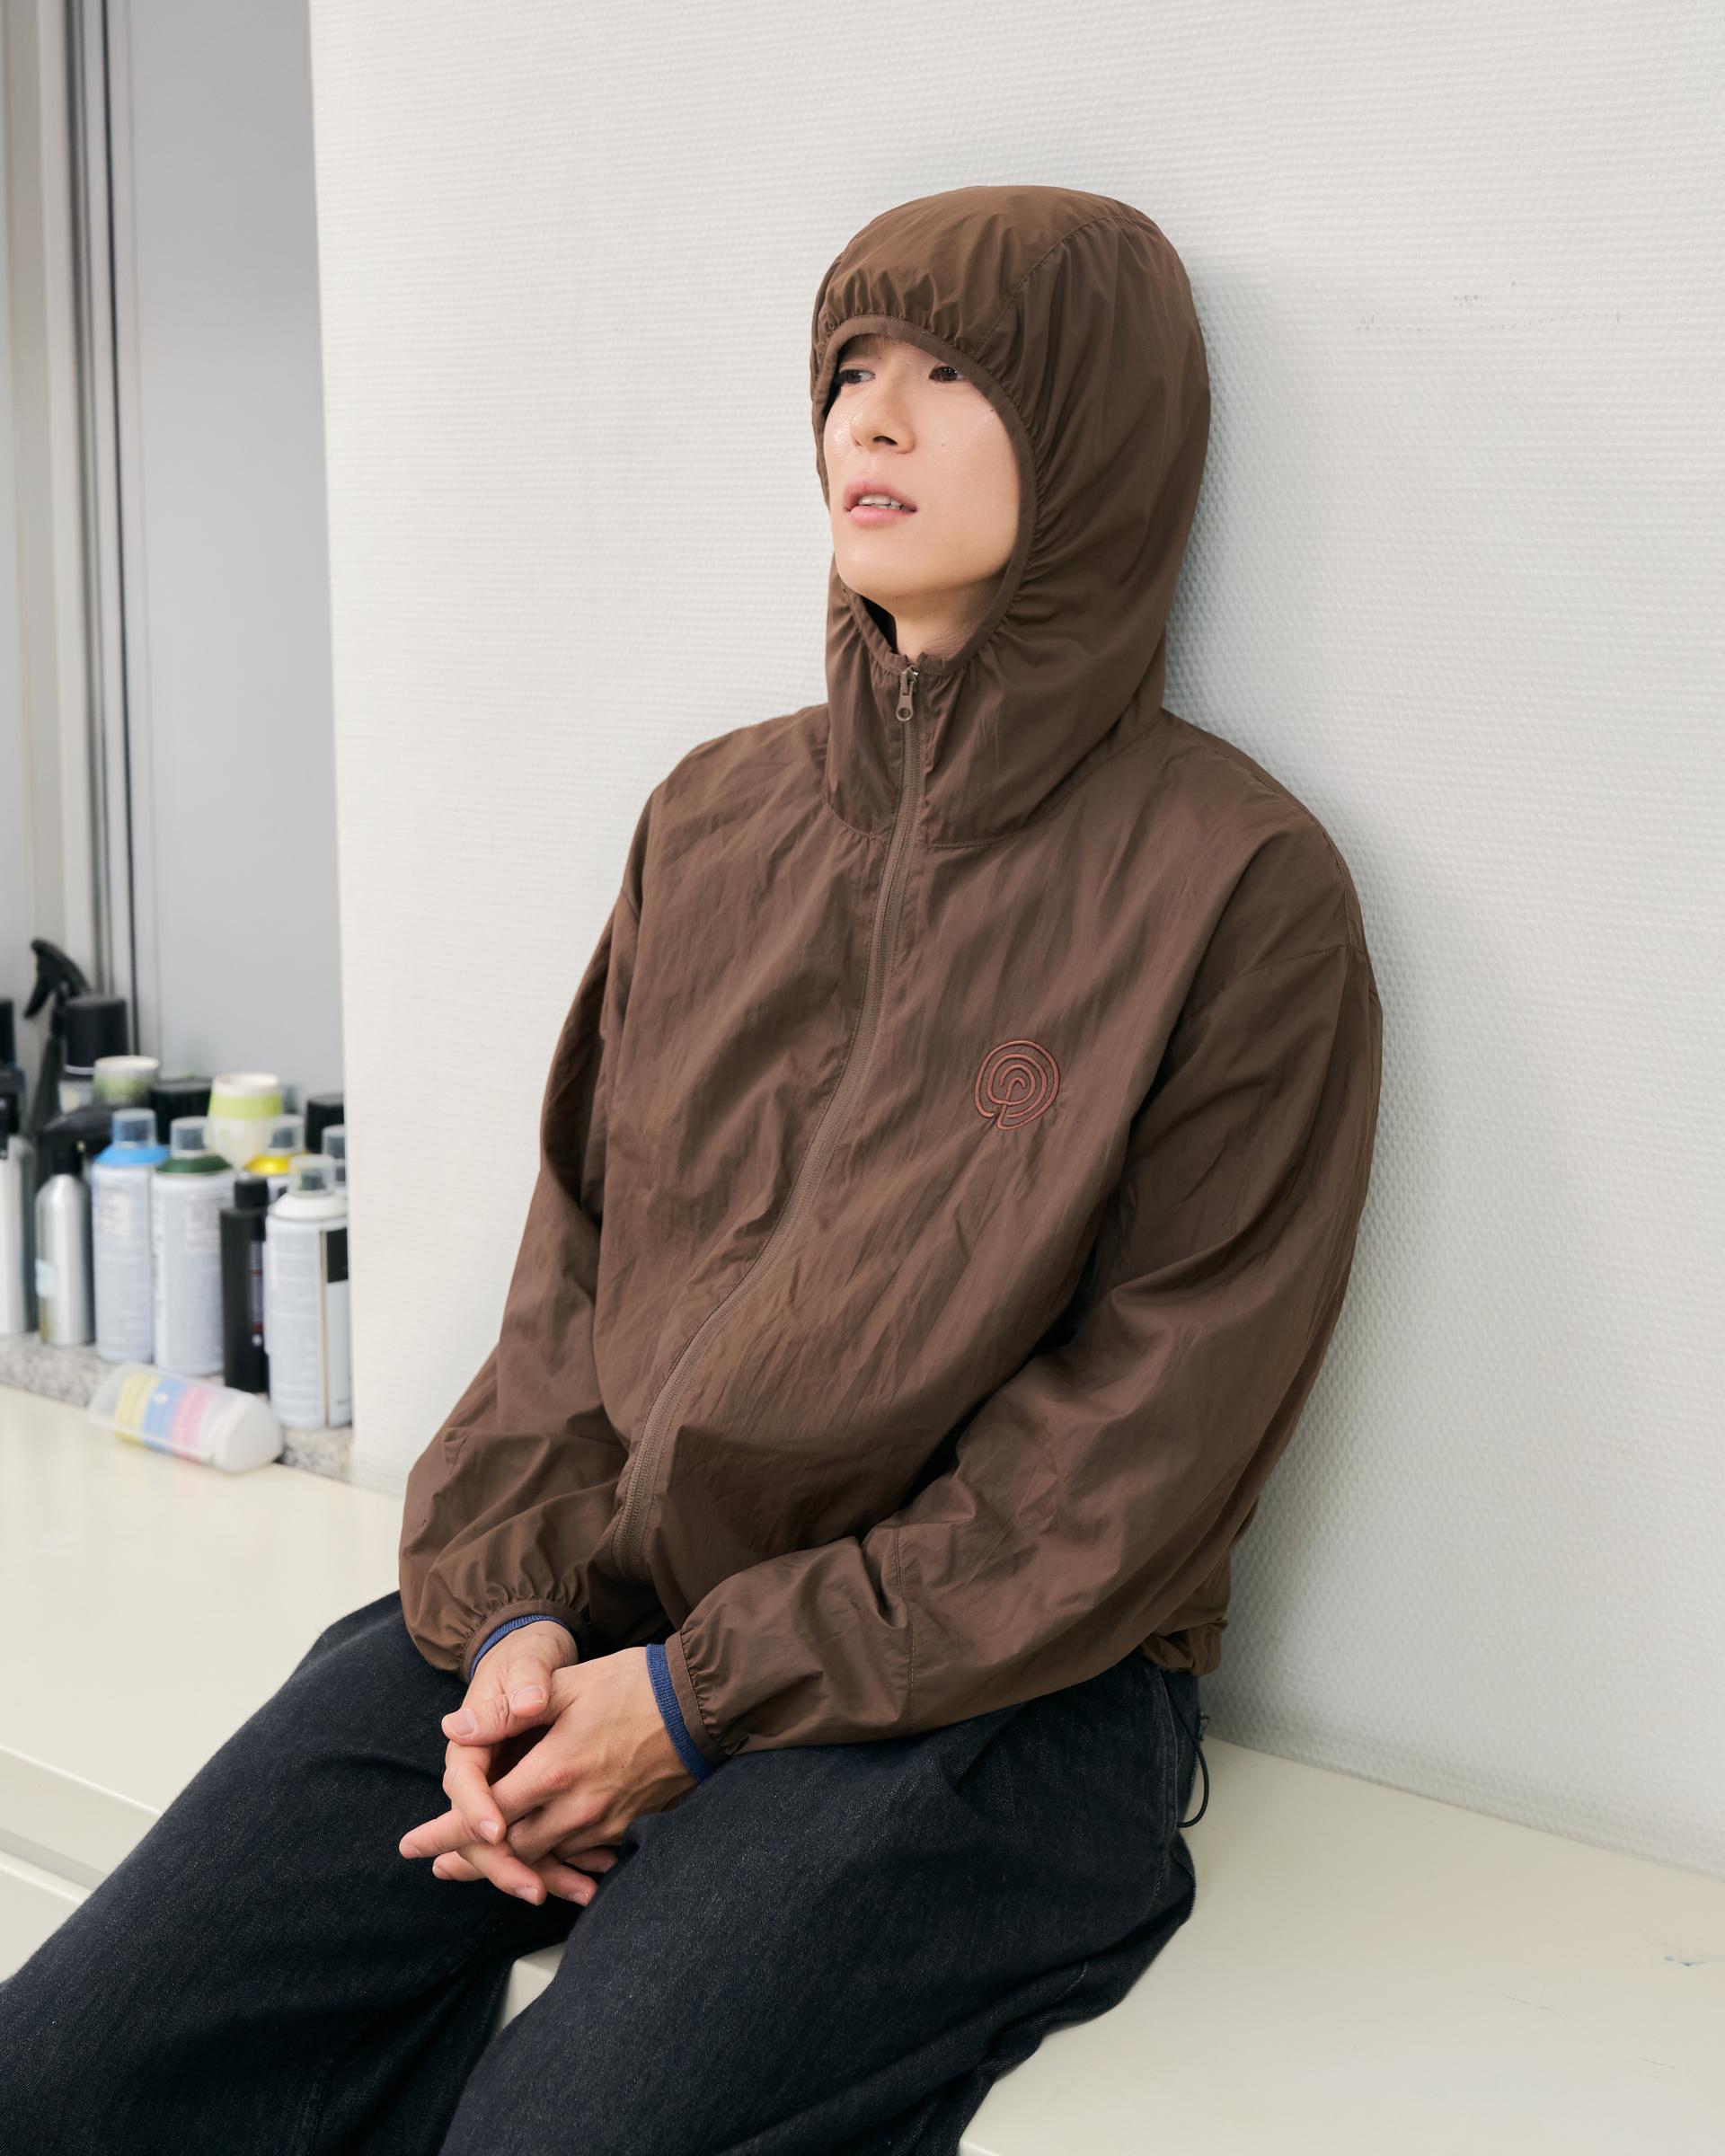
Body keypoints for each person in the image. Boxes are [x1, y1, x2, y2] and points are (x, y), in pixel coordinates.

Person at [0, 181, 1382, 2154]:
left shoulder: (1239, 890)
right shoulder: (713, 821)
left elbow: (1123, 1466)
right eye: (849, 367)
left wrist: (696, 1702)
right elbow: (569, 1295)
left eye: (951, 374)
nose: (869, 419)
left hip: (1001, 1694)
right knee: (67, 2066)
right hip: (615, 1604)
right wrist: (515, 1626)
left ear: (1099, 433)